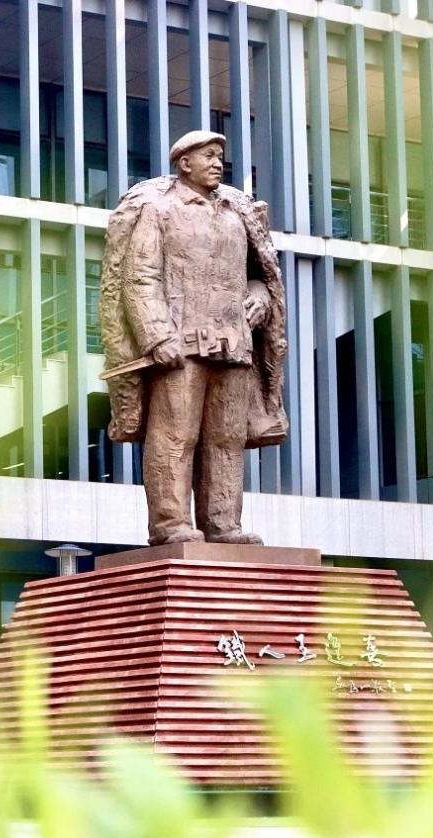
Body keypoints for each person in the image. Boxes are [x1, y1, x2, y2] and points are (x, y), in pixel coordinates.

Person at [102, 130, 288, 546]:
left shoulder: (236, 214)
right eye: (209, 156)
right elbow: (139, 277)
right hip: (180, 348)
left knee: (227, 439)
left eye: (220, 156)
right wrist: (156, 336)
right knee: (175, 436)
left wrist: (260, 297)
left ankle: (223, 525)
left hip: (234, 345)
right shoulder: (160, 210)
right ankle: (170, 525)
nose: (218, 163)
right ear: (184, 163)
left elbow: (258, 275)